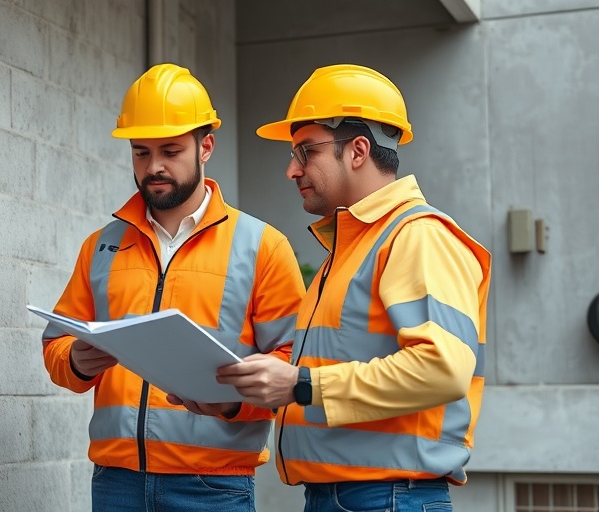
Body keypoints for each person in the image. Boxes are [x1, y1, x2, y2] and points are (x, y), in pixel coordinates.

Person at [216, 64, 492, 511]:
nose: (292, 169)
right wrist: (233, 402)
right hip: (349, 497)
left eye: (306, 152)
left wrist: (300, 384)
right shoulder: (350, 252)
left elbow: (443, 369)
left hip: (386, 498)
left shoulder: (416, 236)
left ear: (358, 150)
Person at [40, 63, 306, 512]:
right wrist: (77, 361)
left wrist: (228, 405)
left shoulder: (262, 246)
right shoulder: (101, 246)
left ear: (206, 147)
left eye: (170, 150)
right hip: (116, 483)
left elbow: (293, 365)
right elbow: (56, 345)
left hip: (213, 487)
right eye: (141, 152)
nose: (154, 166)